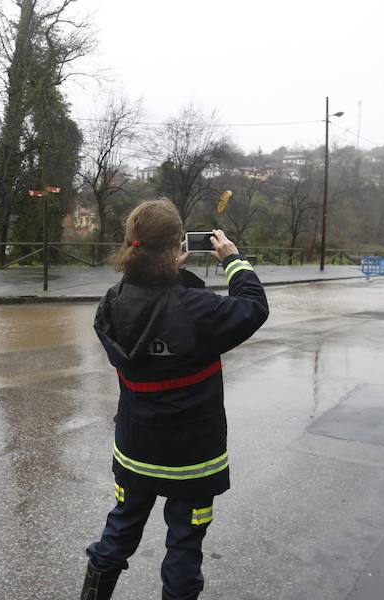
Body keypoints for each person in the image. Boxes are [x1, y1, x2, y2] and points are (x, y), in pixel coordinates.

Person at [82, 200, 269, 600]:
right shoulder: (197, 309)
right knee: (184, 546)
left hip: (136, 450)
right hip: (191, 458)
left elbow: (152, 302)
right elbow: (253, 308)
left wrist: (170, 270)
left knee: (120, 529)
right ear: (177, 247)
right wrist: (233, 261)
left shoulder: (112, 304)